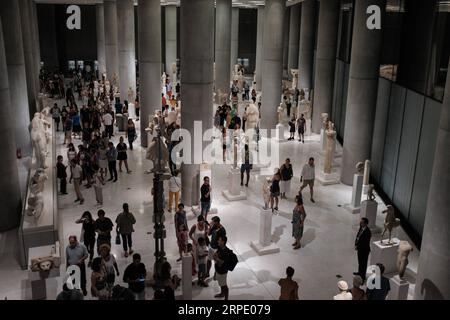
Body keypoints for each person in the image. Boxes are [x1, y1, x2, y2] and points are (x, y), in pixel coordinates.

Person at [213, 236, 232, 300]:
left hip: (223, 271)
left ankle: (226, 298)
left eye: (219, 240)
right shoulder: (220, 247)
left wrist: (216, 258)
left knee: (224, 285)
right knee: (221, 283)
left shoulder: (226, 251)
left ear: (223, 242)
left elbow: (222, 262)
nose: (218, 241)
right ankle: (222, 293)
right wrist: (215, 256)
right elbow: (216, 254)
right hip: (218, 269)